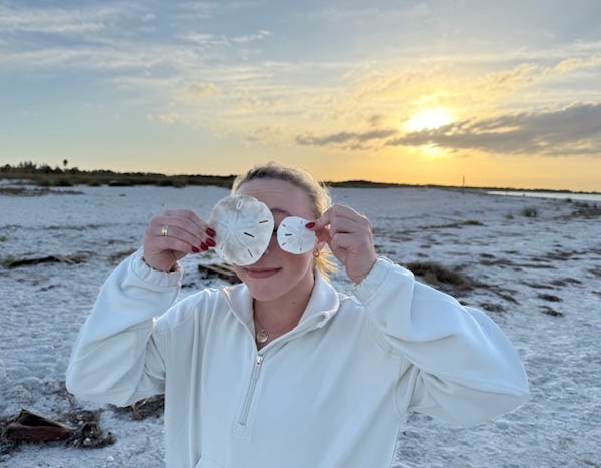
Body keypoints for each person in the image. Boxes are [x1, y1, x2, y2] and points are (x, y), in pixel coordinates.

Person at [66, 162, 529, 467]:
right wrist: (146, 275)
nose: (260, 250)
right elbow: (96, 381)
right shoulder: (198, 320)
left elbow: (496, 389)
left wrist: (377, 279)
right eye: (244, 228)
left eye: (280, 226)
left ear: (320, 236)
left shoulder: (378, 337)